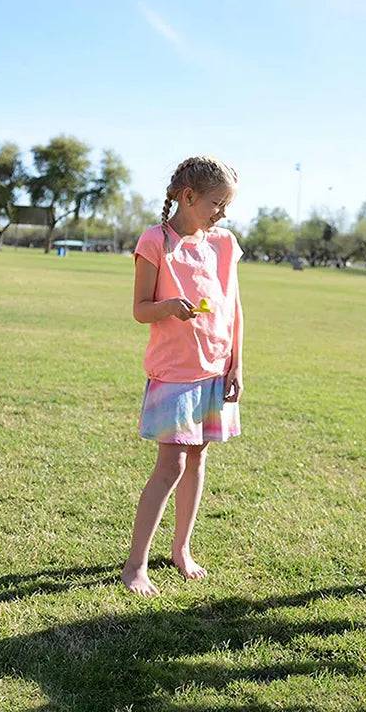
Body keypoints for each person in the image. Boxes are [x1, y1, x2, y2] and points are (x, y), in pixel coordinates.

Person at [121, 156, 244, 597]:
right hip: (174, 375)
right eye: (217, 203)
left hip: (214, 369)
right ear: (188, 196)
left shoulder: (223, 244)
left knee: (198, 460)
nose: (222, 213)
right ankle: (135, 564)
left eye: (226, 204)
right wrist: (169, 307)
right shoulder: (155, 241)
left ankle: (181, 549)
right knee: (170, 464)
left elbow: (234, 306)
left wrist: (236, 363)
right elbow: (139, 309)